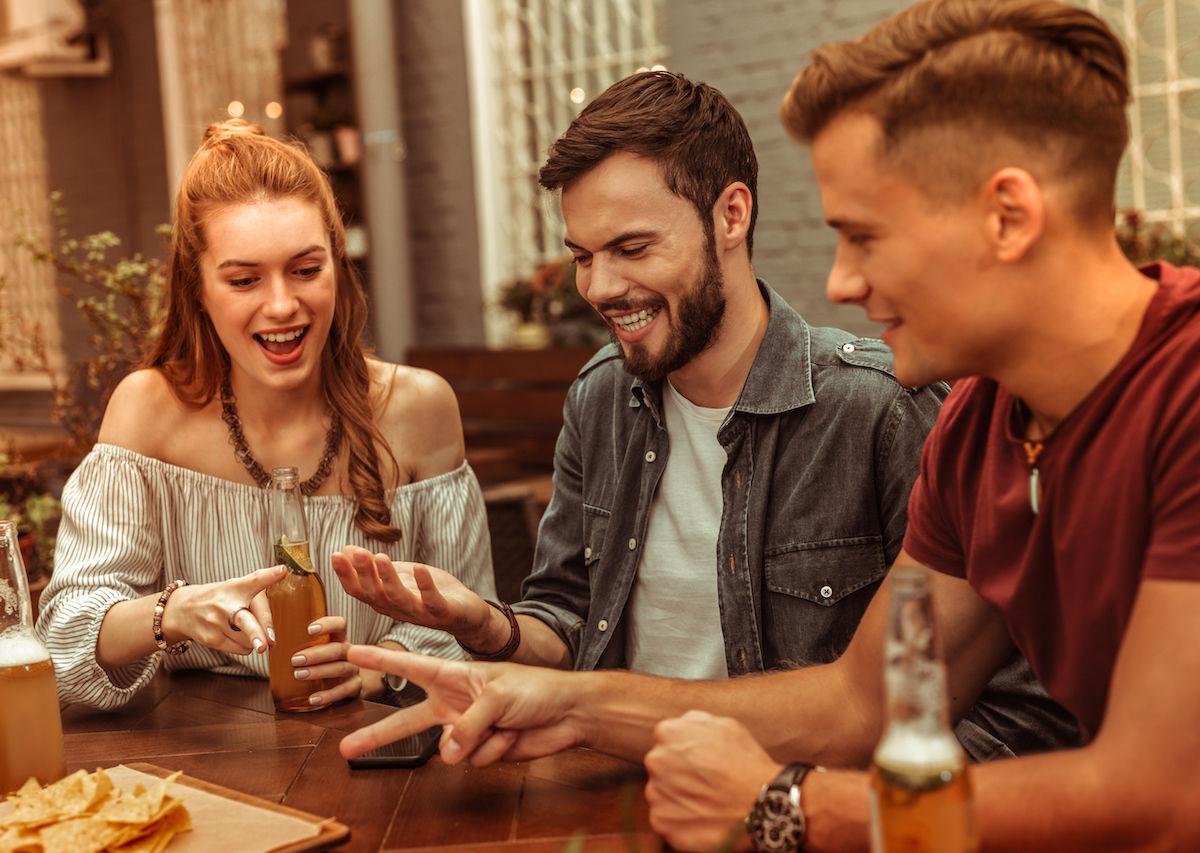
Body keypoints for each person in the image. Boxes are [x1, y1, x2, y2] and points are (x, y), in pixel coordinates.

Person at [336, 1, 1200, 850]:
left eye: (864, 235)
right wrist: (562, 700)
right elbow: (859, 704)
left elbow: (1160, 796)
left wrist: (783, 806)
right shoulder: (984, 423)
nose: (840, 282)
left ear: (1008, 216)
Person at [333, 70, 1077, 762]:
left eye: (631, 247)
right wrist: (486, 626)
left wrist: (796, 808)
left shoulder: (882, 407)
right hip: (614, 794)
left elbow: (1015, 716)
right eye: (582, 255)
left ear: (731, 214)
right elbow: (571, 620)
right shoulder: (600, 398)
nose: (599, 286)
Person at [37, 120, 494, 711]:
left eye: (306, 270)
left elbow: (476, 627)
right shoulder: (148, 410)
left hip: (382, 742)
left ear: (338, 264)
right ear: (197, 288)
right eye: (244, 279)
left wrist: (374, 674)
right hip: (202, 749)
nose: (282, 305)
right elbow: (67, 636)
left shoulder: (418, 408)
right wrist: (173, 613)